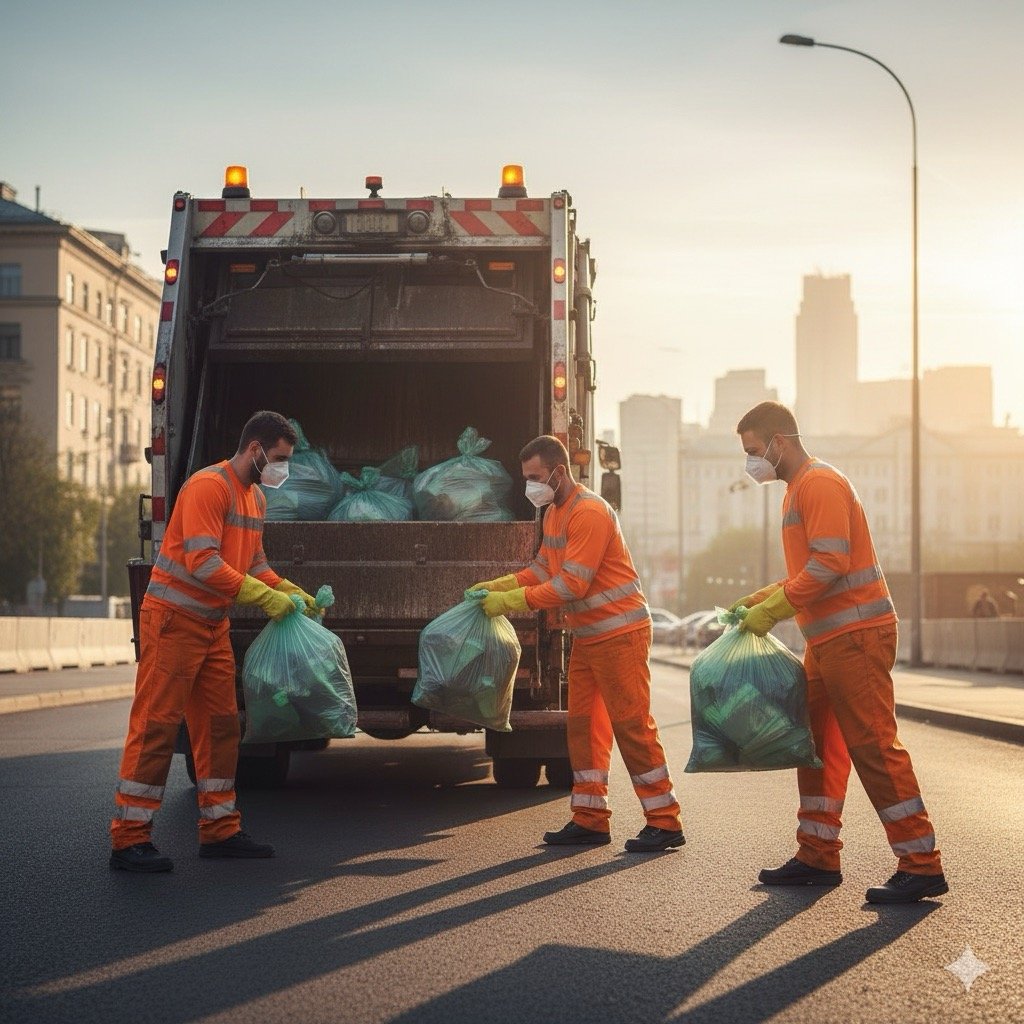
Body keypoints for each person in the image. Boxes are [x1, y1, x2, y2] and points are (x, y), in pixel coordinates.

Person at [730, 401, 947, 904]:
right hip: (828, 642)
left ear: (779, 441)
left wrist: (774, 609)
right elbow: (809, 571)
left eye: (754, 450)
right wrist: (764, 599)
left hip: (856, 637)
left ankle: (921, 863)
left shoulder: (819, 483)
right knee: (815, 745)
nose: (751, 461)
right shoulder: (796, 491)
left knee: (872, 745)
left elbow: (830, 563)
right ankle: (817, 854)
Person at [109, 411, 320, 873]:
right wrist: (263, 597)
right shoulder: (209, 487)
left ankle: (220, 829)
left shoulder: (255, 499)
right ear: (254, 449)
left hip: (211, 626)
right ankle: (129, 838)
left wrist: (290, 592)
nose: (282, 468)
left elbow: (256, 564)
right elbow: (203, 562)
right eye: (280, 458)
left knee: (222, 726)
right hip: (174, 622)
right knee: (157, 726)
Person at [470, 435, 684, 853]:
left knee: (632, 727)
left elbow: (572, 583)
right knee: (584, 728)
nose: (530, 486)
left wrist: (510, 602)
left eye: (535, 477)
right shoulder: (554, 513)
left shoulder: (589, 512)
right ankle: (589, 818)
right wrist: (501, 584)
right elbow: (542, 567)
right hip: (589, 638)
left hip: (621, 635)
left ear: (559, 472)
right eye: (526, 478)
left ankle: (664, 821)